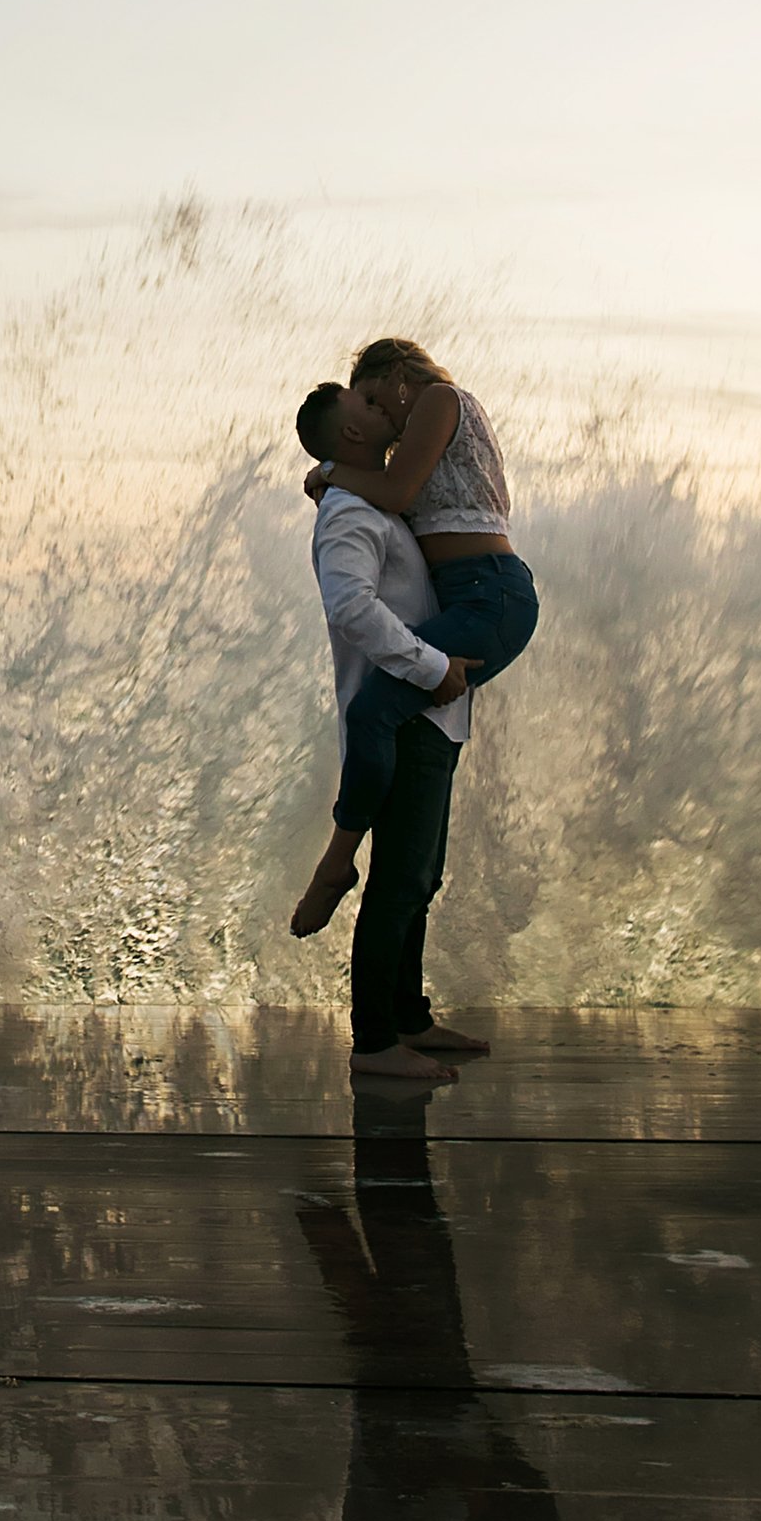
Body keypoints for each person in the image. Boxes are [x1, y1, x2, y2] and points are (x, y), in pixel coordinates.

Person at [292, 341, 538, 940]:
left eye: (377, 396)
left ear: (399, 375)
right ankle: (405, 1013)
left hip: (490, 593)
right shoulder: (409, 442)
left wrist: (328, 472)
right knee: (387, 715)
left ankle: (337, 856)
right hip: (472, 593)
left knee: (375, 706)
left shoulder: (436, 399)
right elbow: (389, 503)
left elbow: (396, 495)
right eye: (365, 406)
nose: (381, 412)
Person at [295, 374, 494, 1079]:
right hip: (407, 708)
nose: (386, 410)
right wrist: (427, 664)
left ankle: (409, 1016)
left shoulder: (379, 505)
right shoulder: (350, 513)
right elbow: (350, 606)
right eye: (371, 406)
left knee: (422, 876)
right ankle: (375, 1043)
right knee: (398, 880)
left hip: (430, 712)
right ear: (353, 431)